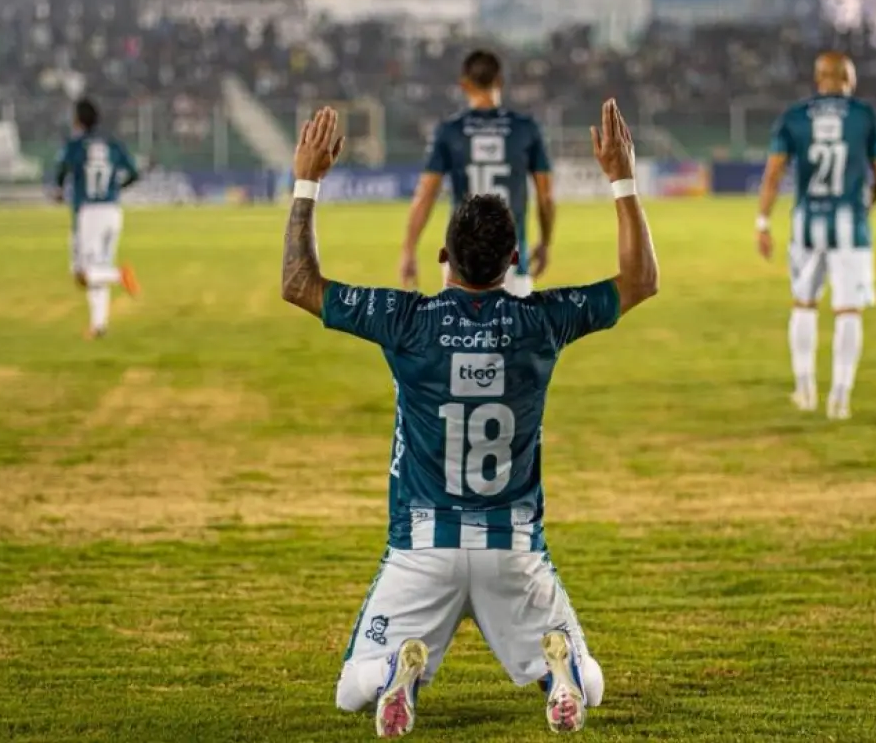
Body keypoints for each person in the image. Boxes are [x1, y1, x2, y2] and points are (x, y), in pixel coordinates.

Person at [281, 100, 658, 737]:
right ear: (514, 260)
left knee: (352, 688)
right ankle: (557, 677)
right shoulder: (542, 320)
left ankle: (395, 676)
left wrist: (307, 180)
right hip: (513, 548)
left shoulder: (407, 321)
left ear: (443, 258)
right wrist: (621, 178)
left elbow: (298, 280)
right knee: (589, 677)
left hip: (423, 546)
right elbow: (641, 279)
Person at [756, 51, 876, 421]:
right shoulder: (865, 116)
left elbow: (773, 175)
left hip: (806, 224)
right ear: (849, 77)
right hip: (850, 223)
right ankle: (841, 396)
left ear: (819, 78)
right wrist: (867, 204)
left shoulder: (794, 117)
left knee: (804, 303)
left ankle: (804, 388)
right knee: (848, 309)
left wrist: (763, 223)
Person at [399, 50, 555, 298]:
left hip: (460, 261)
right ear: (500, 81)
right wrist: (545, 242)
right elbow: (545, 196)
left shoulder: (450, 131)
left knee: (459, 336)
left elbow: (426, 194)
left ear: (464, 84)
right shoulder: (525, 129)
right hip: (511, 257)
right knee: (515, 336)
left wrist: (408, 249)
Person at [53, 98, 141, 339]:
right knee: (97, 270)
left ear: (78, 120)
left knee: (82, 272)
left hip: (89, 214)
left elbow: (62, 169)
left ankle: (119, 276)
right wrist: (116, 188)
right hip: (112, 211)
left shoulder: (76, 145)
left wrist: (59, 190)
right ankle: (99, 325)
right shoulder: (113, 144)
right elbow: (134, 173)